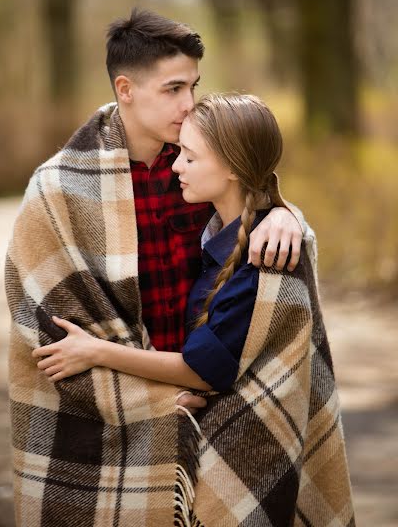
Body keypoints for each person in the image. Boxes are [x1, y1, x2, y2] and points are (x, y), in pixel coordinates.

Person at [5, 10, 305, 527]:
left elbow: (251, 196)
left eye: (193, 86)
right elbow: (51, 336)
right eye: (173, 89)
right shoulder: (58, 188)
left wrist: (287, 214)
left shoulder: (198, 164)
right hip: (113, 422)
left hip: (216, 406)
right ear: (126, 88)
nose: (189, 104)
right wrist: (159, 398)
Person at [32, 93, 355, 526]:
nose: (176, 166)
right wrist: (287, 211)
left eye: (189, 156)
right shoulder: (217, 227)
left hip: (247, 457)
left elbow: (204, 370)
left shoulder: (261, 259)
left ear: (232, 169)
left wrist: (94, 351)